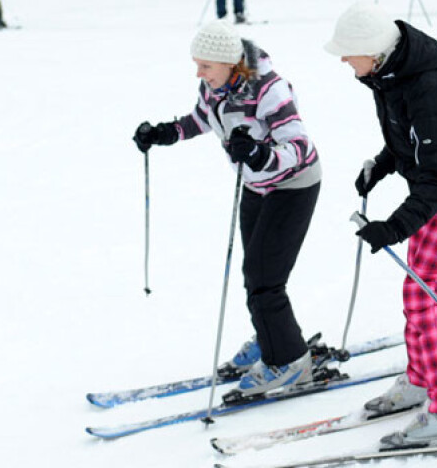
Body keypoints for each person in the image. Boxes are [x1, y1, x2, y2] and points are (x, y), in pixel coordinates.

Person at [325, 3, 437, 448]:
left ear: (374, 50)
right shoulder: (390, 76)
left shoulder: (431, 90)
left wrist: (392, 228)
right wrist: (384, 165)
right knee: (421, 293)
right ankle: (426, 379)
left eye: (349, 53)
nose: (344, 61)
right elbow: (409, 137)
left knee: (432, 299)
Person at [133, 20, 322, 396]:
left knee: (263, 277)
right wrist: (164, 133)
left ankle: (289, 362)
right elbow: (203, 118)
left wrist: (258, 152)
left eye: (205, 66)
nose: (198, 73)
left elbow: (297, 147)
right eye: (196, 65)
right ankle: (272, 336)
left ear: (229, 63)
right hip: (256, 186)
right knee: (256, 273)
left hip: (293, 185)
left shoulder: (270, 90)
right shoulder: (215, 85)